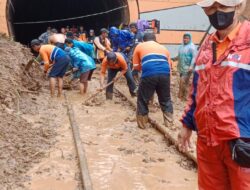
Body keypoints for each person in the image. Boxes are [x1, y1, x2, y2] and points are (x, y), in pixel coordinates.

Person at [178, 0, 250, 189]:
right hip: (208, 141)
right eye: (211, 7)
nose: (217, 12)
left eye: (223, 7)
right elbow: (196, 90)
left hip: (243, 143)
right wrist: (187, 124)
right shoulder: (206, 46)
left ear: (239, 6)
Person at [133, 33, 173, 129]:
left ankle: (142, 125)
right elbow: (169, 67)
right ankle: (169, 124)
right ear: (155, 40)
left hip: (149, 74)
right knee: (166, 99)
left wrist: (144, 67)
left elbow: (135, 66)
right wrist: (169, 81)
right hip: (165, 74)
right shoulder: (164, 48)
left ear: (143, 40)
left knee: (142, 99)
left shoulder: (140, 46)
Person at [172, 33, 197, 101]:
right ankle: (183, 97)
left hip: (188, 67)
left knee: (183, 81)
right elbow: (179, 56)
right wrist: (173, 59)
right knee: (183, 82)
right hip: (181, 67)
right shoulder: (181, 46)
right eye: (184, 38)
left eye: (187, 38)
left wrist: (191, 66)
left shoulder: (192, 47)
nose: (185, 39)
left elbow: (194, 57)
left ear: (190, 39)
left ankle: (182, 97)